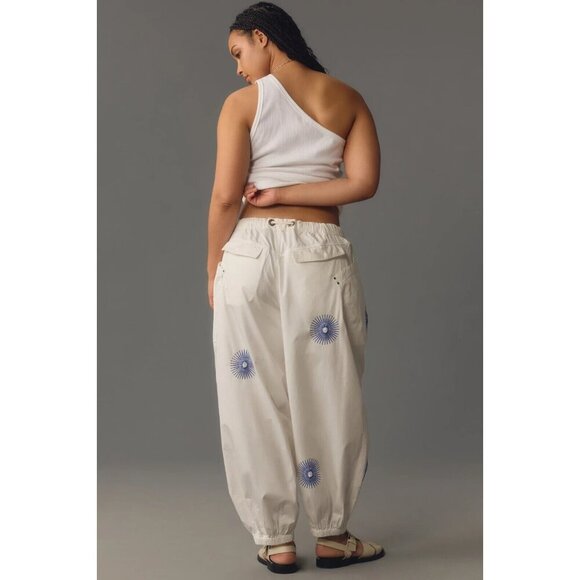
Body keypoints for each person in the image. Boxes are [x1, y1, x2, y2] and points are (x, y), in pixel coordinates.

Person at [207, 1, 383, 573]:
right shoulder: (347, 99)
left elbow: (226, 197)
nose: (238, 68)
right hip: (319, 254)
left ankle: (275, 538)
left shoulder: (241, 105)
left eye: (238, 52)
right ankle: (332, 534)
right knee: (329, 390)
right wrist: (290, 195)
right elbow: (363, 183)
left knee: (253, 394)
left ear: (263, 37)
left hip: (249, 256)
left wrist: (212, 267)